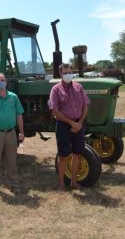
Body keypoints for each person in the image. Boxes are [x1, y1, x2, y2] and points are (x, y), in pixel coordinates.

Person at [49, 63, 90, 191]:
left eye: (70, 72)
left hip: (78, 124)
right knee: (63, 156)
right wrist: (72, 124)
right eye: (65, 73)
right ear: (60, 74)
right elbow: (54, 111)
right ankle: (61, 183)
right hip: (63, 126)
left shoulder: (79, 87)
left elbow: (85, 106)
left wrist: (79, 123)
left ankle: (73, 181)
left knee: (77, 154)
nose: (68, 74)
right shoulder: (55, 89)